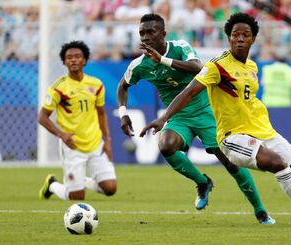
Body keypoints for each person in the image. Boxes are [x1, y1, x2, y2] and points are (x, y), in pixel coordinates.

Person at [140, 13, 291, 228]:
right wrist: (164, 117)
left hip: (263, 130)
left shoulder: (253, 67)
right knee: (278, 164)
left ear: (252, 39)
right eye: (235, 35)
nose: (239, 39)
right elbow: (188, 92)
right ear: (229, 38)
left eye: (245, 35)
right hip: (233, 136)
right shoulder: (217, 66)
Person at [117, 13, 274, 224]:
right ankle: (202, 182)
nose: (145, 37)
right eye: (142, 33)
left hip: (206, 111)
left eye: (150, 32)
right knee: (165, 144)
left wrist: (162, 60)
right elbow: (122, 86)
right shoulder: (139, 65)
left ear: (163, 33)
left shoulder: (181, 47)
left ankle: (260, 210)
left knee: (231, 163)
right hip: (178, 116)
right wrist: (123, 114)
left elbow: (197, 68)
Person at [38, 41, 117, 200]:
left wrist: (107, 140)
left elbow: (101, 113)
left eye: (77, 56)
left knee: (110, 188)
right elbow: (42, 117)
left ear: (84, 60)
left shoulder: (96, 84)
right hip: (72, 146)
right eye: (69, 57)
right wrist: (61, 135)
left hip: (95, 143)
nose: (73, 60)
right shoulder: (58, 87)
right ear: (64, 62)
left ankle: (79, 181)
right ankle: (52, 185)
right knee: (76, 197)